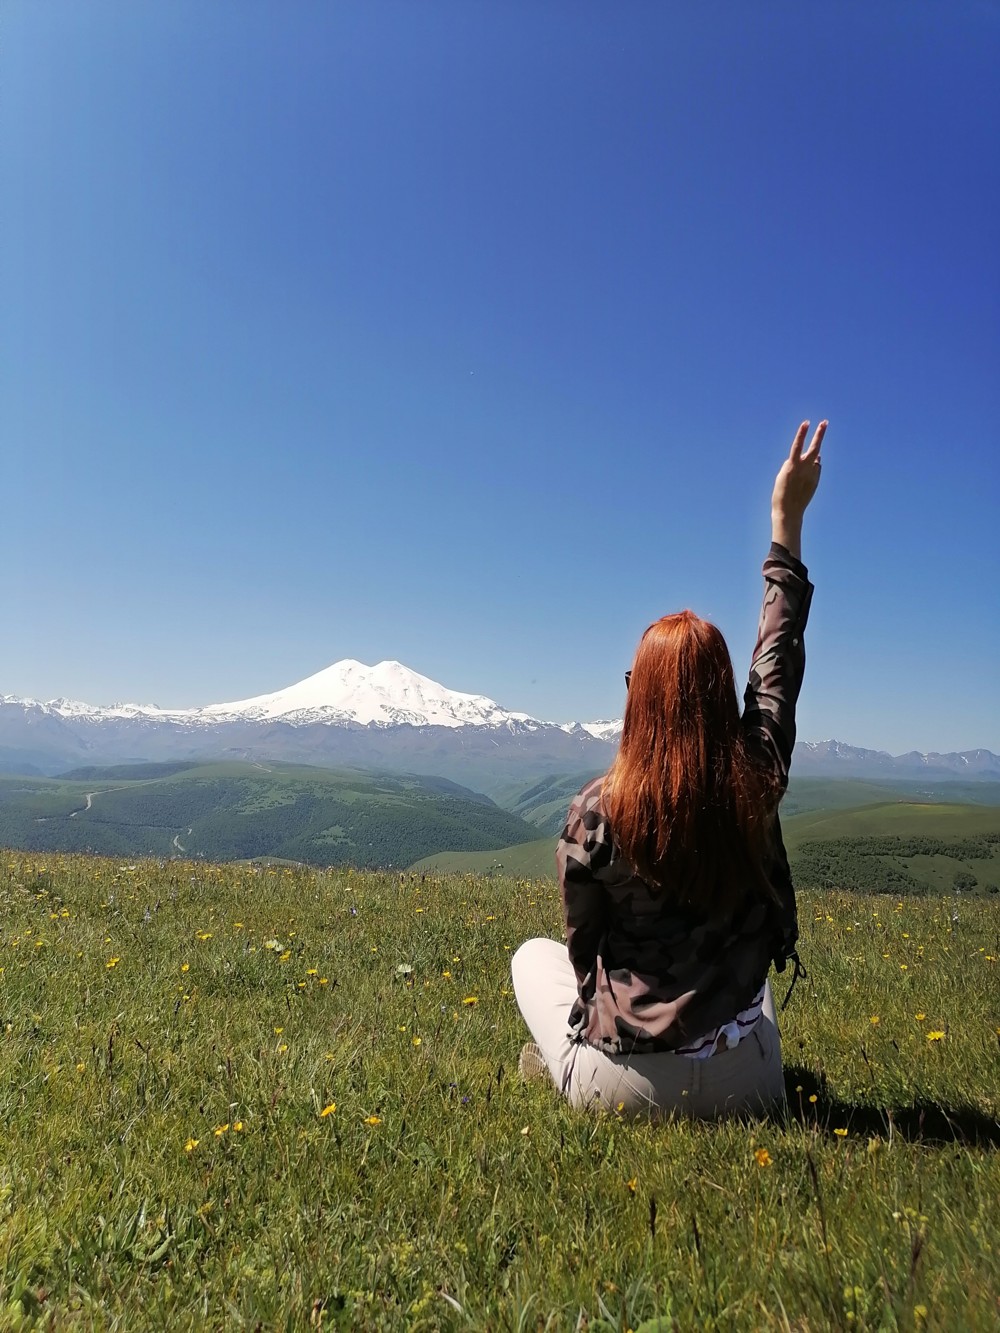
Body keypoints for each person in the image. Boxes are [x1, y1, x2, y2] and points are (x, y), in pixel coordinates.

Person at [511, 419, 827, 1119]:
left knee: (527, 959)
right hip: (752, 1086)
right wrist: (787, 520)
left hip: (626, 1087)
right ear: (722, 698)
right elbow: (778, 663)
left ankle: (564, 1069)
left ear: (640, 699)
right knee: (753, 993)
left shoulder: (594, 811)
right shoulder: (755, 779)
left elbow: (582, 950)